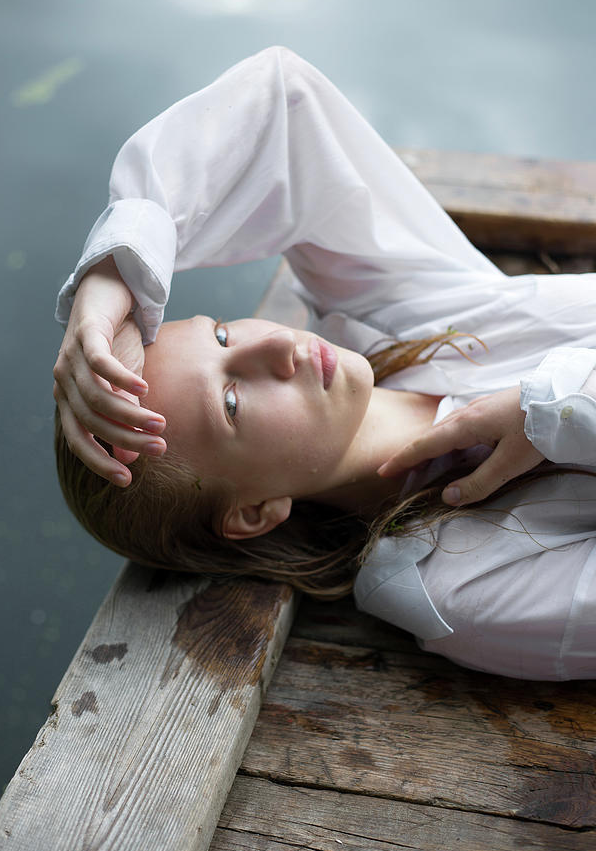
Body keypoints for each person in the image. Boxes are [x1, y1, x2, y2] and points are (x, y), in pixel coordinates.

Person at [53, 47, 596, 681]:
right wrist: (564, 407)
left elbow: (281, 103)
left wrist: (114, 273)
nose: (277, 346)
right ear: (254, 511)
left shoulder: (391, 316)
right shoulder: (458, 588)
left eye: (223, 335)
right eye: (230, 402)